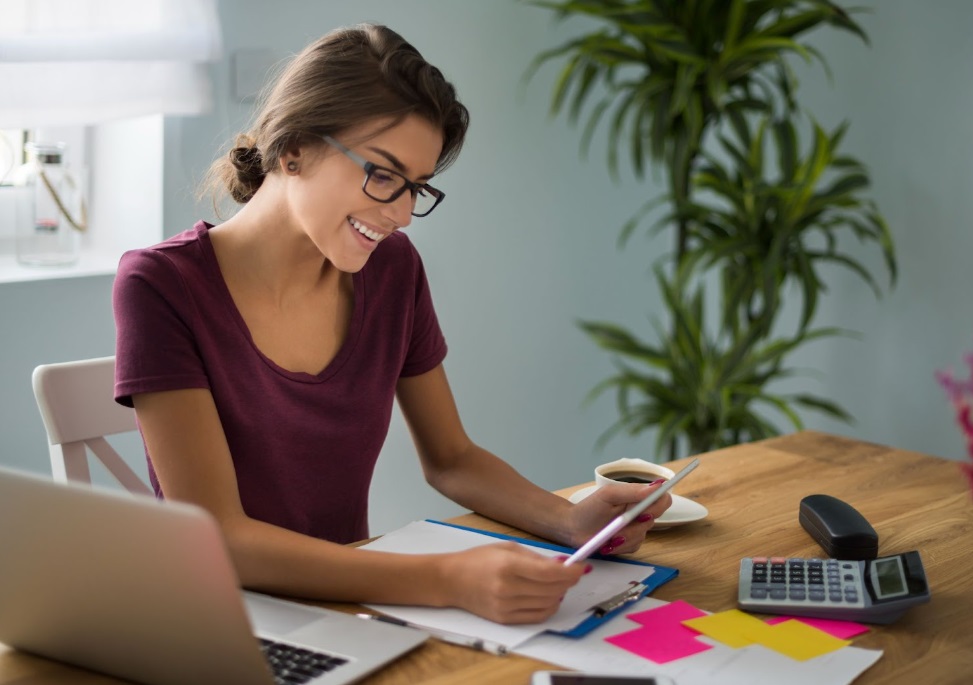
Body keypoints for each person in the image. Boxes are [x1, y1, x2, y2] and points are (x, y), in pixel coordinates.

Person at [112, 23, 671, 626]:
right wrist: (448, 580)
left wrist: (569, 518)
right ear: (294, 146)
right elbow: (220, 536)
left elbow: (451, 457)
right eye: (382, 174)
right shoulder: (160, 285)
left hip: (350, 612)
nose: (403, 214)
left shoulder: (392, 271)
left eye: (417, 187)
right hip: (216, 621)